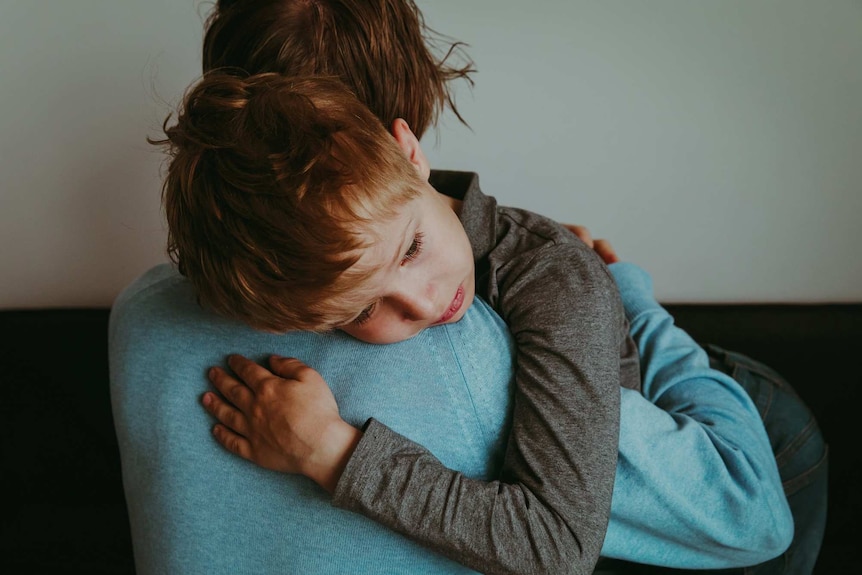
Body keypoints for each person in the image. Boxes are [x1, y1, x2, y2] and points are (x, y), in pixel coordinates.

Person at [110, 1, 826, 574]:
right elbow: (722, 516)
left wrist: (614, 293)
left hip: (658, 370)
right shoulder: (464, 344)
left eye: (412, 246)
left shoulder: (141, 309)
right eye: (360, 305)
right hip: (662, 419)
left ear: (400, 150)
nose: (425, 306)